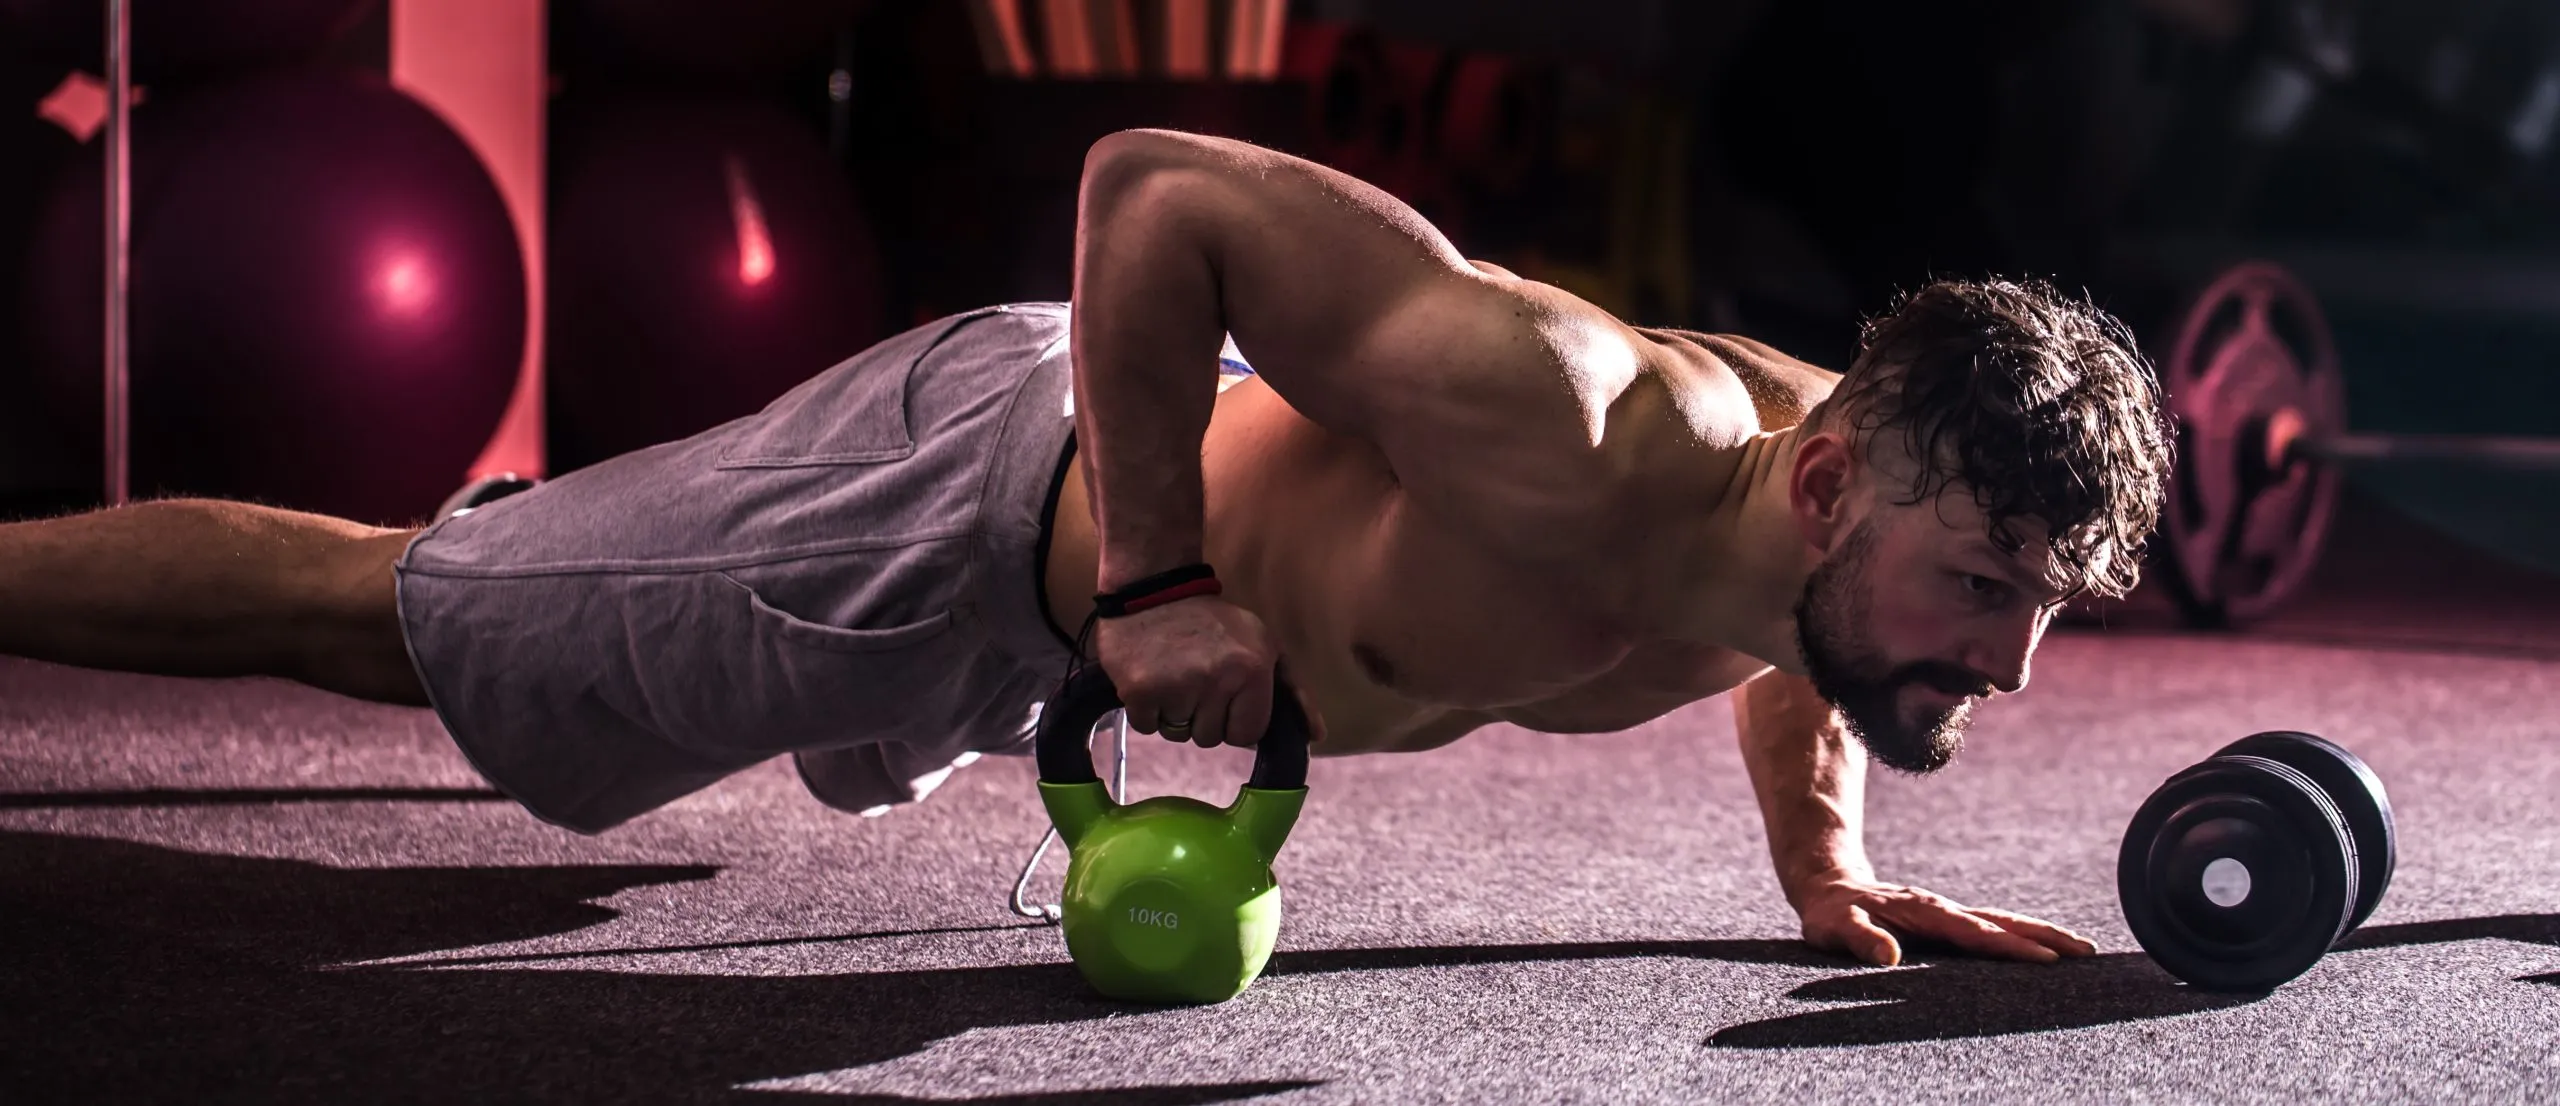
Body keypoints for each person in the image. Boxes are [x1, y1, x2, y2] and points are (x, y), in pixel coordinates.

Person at [0, 129, 2169, 969]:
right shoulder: (1574, 411)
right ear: (1823, 485)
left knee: (586, 813)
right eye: (1984, 592)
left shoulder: (1824, 524)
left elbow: (1801, 637)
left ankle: (582, 554)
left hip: (1062, 642)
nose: (2005, 666)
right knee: (391, 622)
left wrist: (1825, 867)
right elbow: (1157, 192)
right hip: (980, 503)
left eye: (2041, 608)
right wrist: (1154, 583)